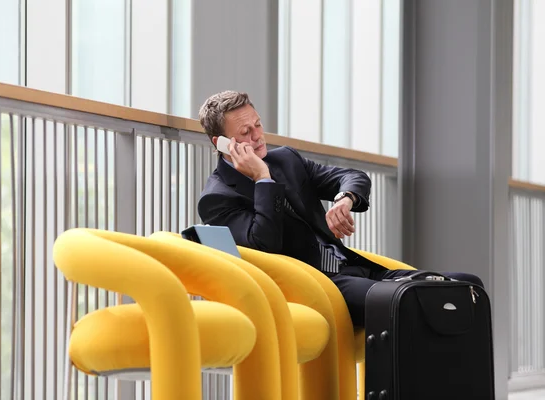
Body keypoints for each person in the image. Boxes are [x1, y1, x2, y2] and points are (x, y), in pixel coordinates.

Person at [196, 90, 483, 327]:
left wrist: (345, 198)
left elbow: (352, 177)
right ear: (221, 143)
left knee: (468, 286)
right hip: (313, 285)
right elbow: (264, 243)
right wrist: (263, 180)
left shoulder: (286, 160)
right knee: (408, 302)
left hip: (353, 270)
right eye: (245, 132)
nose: (258, 136)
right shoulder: (217, 197)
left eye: (258, 124)